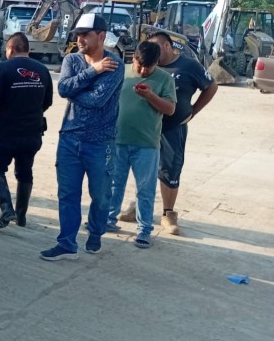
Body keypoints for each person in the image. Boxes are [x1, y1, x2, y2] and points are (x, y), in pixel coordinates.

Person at [40, 14, 124, 261]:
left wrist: (73, 90)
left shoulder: (115, 65)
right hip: (69, 138)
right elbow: (62, 88)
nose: (80, 39)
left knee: (100, 195)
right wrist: (92, 72)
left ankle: (96, 232)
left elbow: (97, 100)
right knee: (67, 194)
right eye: (78, 34)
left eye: (85, 34)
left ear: (101, 36)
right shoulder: (72, 60)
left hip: (100, 142)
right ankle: (66, 243)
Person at [125, 31, 216, 235]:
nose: (153, 52)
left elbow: (211, 87)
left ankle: (168, 213)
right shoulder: (149, 65)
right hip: (146, 126)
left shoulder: (189, 66)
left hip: (172, 127)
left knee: (170, 170)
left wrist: (193, 112)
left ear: (167, 45)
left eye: (157, 47)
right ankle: (138, 205)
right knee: (143, 167)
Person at [107, 42, 176, 249]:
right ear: (133, 58)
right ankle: (108, 220)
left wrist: (150, 96)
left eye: (149, 67)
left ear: (157, 63)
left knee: (145, 189)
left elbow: (170, 109)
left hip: (147, 143)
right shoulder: (122, 72)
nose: (143, 71)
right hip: (118, 140)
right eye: (140, 65)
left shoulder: (164, 79)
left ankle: (144, 230)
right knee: (113, 184)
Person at [0, 32, 53, 229]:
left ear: (11, 49)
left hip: (7, 130)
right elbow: (48, 101)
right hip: (33, 132)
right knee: (25, 172)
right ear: (28, 50)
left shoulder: (4, 67)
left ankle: (7, 208)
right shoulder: (43, 70)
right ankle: (21, 216)